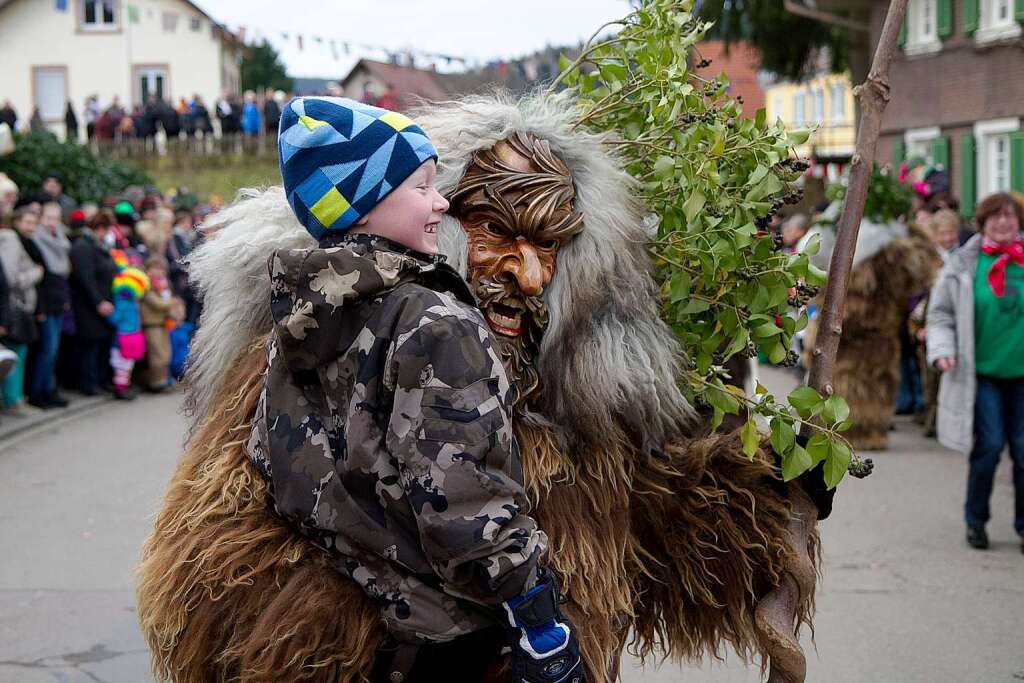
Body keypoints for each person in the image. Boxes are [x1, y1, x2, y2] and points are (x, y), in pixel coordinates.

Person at [139, 93, 832, 683]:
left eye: (551, 244)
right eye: (497, 229)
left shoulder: (573, 403)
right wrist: (380, 638)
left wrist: (765, 489)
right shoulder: (313, 352)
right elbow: (214, 576)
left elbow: (651, 537)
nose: (528, 274)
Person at [928, 192, 1024, 553]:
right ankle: (976, 520)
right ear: (983, 223)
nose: (1003, 223)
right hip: (980, 374)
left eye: (1010, 217)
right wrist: (942, 352)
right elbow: (939, 315)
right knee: (989, 445)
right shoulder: (962, 266)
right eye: (996, 217)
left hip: (1021, 374)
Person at [24, 203, 72, 408]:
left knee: (53, 350)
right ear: (41, 218)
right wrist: (41, 309)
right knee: (46, 350)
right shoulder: (37, 240)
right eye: (49, 218)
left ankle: (49, 389)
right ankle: (38, 391)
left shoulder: (60, 240)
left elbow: (63, 272)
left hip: (58, 300)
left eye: (56, 218)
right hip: (44, 303)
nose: (53, 222)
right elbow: (44, 277)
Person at [0, 208, 44, 413]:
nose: (32, 227)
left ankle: (13, 399)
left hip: (15, 308)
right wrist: (35, 273)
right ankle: (12, 401)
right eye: (28, 222)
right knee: (14, 354)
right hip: (13, 308)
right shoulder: (9, 238)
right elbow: (10, 279)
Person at [69, 213, 117, 395]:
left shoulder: (98, 246)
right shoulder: (83, 247)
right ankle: (88, 383)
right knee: (90, 345)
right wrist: (98, 301)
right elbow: (85, 278)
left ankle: (100, 380)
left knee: (100, 345)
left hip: (103, 301)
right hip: (89, 305)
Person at [107, 262, 149, 400]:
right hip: (123, 337)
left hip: (129, 336)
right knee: (122, 365)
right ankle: (120, 388)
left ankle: (124, 385)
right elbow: (115, 318)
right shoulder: (125, 302)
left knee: (126, 365)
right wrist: (109, 314)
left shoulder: (129, 301)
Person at [139, 256, 175, 391]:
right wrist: (170, 303)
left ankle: (164, 379)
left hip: (162, 323)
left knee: (165, 353)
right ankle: (156, 382)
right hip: (151, 324)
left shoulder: (163, 285)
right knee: (156, 354)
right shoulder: (146, 285)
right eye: (154, 268)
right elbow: (157, 303)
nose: (158, 272)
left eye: (160, 269)